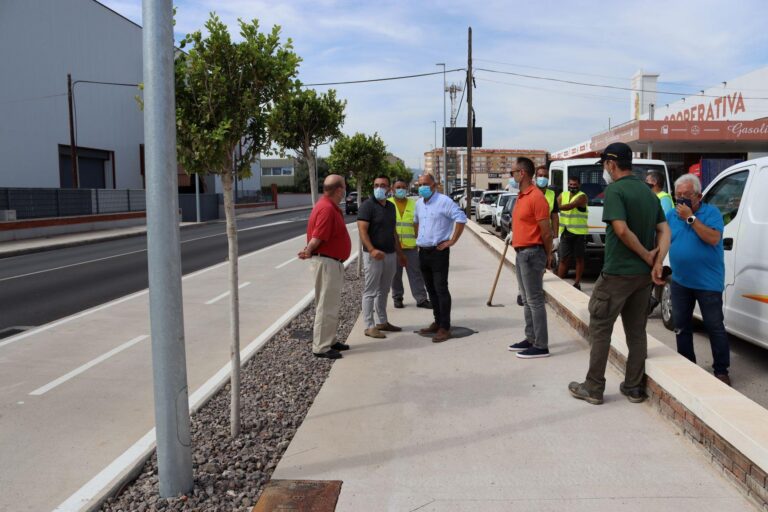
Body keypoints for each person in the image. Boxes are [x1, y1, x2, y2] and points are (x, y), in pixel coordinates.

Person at [568, 142, 670, 404]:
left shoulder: (614, 191)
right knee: (636, 332)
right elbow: (665, 230)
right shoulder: (649, 193)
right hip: (642, 277)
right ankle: (634, 387)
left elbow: (622, 231)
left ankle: (593, 387)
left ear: (611, 164)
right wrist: (656, 261)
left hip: (617, 274)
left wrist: (649, 255)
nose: (605, 170)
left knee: (600, 328)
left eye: (605, 165)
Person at [668, 174, 730, 385]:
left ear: (699, 196)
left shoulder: (711, 213)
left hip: (708, 283)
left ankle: (721, 369)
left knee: (714, 326)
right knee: (681, 326)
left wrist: (690, 218)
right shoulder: (671, 215)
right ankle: (687, 365)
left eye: (687, 195)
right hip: (680, 281)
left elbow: (713, 238)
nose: (682, 200)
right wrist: (657, 263)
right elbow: (664, 240)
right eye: (678, 196)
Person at [298, 174, 352, 359]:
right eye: (344, 187)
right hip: (327, 262)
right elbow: (318, 236)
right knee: (326, 305)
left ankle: (329, 340)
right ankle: (321, 347)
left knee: (331, 304)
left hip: (331, 262)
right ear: (338, 190)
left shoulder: (329, 206)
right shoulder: (327, 209)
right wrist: (308, 250)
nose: (345, 190)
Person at [506, 157, 554, 359]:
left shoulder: (536, 197)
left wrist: (548, 254)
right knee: (526, 299)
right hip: (520, 252)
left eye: (513, 172)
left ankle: (541, 345)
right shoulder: (521, 196)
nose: (512, 175)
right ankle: (531, 337)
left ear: (522, 173)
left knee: (534, 300)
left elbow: (546, 231)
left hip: (532, 253)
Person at [414, 173, 467, 343]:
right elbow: (416, 222)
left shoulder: (444, 201)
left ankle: (445, 326)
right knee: (430, 289)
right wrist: (420, 240)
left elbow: (461, 218)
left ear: (434, 185)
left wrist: (452, 241)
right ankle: (437, 322)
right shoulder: (419, 204)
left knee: (441, 289)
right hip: (423, 252)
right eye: (420, 184)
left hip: (438, 252)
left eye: (426, 184)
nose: (422, 187)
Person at [358, 175, 407, 339]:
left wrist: (400, 253)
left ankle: (382, 322)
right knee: (370, 291)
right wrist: (371, 250)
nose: (379, 188)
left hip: (390, 254)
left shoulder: (390, 207)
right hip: (374, 255)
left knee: (384, 290)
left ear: (389, 189)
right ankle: (369, 326)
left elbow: (393, 232)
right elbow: (362, 231)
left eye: (383, 185)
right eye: (376, 185)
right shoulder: (367, 206)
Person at [389, 178, 432, 310]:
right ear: (392, 189)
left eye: (403, 187)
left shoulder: (414, 204)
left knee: (416, 274)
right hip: (393, 248)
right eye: (398, 187)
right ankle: (397, 298)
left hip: (411, 247)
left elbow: (418, 224)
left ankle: (421, 299)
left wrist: (420, 241)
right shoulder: (387, 204)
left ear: (406, 189)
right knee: (395, 275)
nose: (400, 190)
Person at [646, 170, 675, 314]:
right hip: (651, 241)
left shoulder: (664, 198)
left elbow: (663, 224)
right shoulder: (653, 197)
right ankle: (648, 302)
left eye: (647, 181)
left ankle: (650, 302)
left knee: (653, 275)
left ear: (655, 182)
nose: (646, 183)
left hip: (658, 243)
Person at [557, 176, 589, 290]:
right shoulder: (563, 194)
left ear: (579, 185)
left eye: (575, 185)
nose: (572, 187)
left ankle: (577, 283)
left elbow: (570, 206)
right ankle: (558, 283)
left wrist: (558, 207)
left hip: (579, 233)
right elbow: (558, 201)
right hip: (565, 231)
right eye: (570, 185)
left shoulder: (582, 196)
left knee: (579, 258)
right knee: (563, 259)